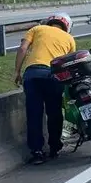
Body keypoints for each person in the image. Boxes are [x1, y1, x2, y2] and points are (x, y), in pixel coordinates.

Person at [14, 13, 76, 165]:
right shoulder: (69, 38)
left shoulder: (37, 29)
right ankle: (54, 147)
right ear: (66, 26)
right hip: (53, 76)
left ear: (49, 22)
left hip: (32, 74)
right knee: (54, 112)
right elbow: (70, 62)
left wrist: (17, 72)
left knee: (34, 114)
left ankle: (37, 152)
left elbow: (22, 48)